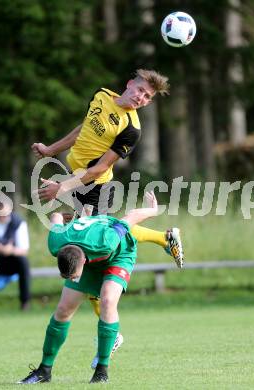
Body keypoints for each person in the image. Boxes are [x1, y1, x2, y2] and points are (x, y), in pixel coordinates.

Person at [31, 68, 184, 365]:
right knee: (86, 243)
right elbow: (82, 130)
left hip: (98, 187)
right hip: (77, 179)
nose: (141, 97)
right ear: (129, 84)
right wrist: (51, 150)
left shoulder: (132, 129)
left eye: (147, 97)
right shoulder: (102, 96)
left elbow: (101, 168)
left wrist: (61, 187)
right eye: (140, 90)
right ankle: (164, 237)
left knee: (90, 253)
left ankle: (113, 333)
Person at [18, 191, 162, 384]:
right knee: (63, 309)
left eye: (74, 275)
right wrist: (65, 217)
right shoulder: (56, 243)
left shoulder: (107, 241)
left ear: (84, 262)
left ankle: (101, 371)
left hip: (118, 254)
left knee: (108, 300)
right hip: (86, 249)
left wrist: (153, 210)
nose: (71, 278)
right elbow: (56, 216)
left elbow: (131, 217)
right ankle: (44, 370)